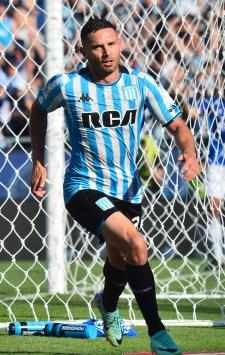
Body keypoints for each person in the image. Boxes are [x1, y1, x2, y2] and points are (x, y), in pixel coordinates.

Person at [29, 17, 199, 354]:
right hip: (83, 187)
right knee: (136, 243)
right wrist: (38, 160)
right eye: (97, 46)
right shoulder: (68, 85)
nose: (106, 52)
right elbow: (38, 109)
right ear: (83, 51)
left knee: (120, 258)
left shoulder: (141, 84)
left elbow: (178, 125)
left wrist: (189, 153)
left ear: (120, 44)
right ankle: (158, 334)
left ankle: (107, 305)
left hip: (128, 191)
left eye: (111, 44)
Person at [199, 87, 225, 269]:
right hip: (217, 161)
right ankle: (218, 256)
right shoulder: (213, 102)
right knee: (213, 209)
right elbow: (192, 112)